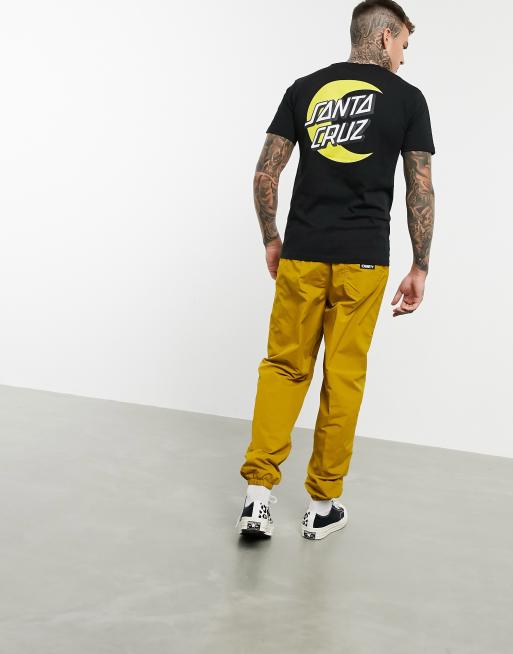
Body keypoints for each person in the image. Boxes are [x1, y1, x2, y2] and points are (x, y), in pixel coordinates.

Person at [236, 0, 435, 540]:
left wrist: (272, 237)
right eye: (403, 45)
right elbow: (420, 189)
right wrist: (420, 265)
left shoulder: (304, 88)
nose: (403, 57)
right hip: (363, 259)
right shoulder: (408, 100)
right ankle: (322, 505)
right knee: (342, 375)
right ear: (386, 35)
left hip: (303, 252)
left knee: (284, 367)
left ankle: (257, 499)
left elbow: (265, 172)